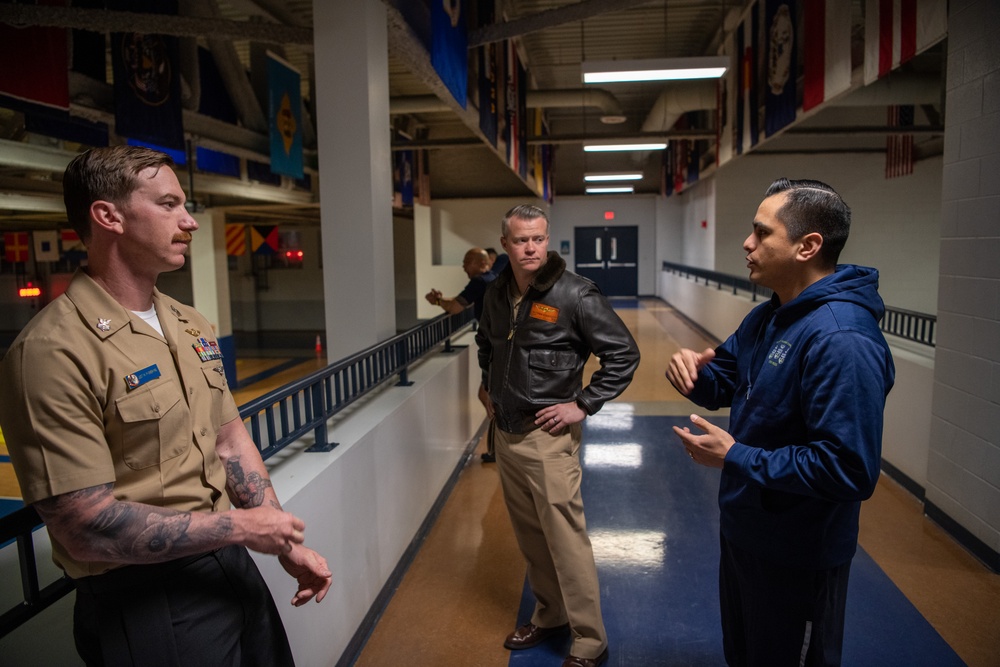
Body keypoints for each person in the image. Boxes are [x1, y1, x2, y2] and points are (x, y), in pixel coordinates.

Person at [0, 146, 332, 666]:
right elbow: (83, 526)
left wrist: (284, 544)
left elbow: (228, 440)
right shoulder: (52, 351)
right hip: (146, 599)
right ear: (108, 216)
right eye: (169, 204)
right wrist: (243, 528)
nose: (190, 221)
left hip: (229, 568)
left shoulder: (188, 323)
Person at [666, 178, 895, 667]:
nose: (747, 244)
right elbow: (721, 379)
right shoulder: (769, 317)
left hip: (799, 554)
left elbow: (849, 468)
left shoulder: (841, 340)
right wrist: (688, 371)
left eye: (761, 233)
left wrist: (735, 456)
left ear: (807, 246)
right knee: (745, 654)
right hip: (747, 531)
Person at [476, 204, 639, 667]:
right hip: (505, 434)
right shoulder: (494, 294)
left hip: (548, 439)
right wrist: (486, 384)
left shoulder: (575, 295)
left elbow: (624, 355)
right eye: (521, 240)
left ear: (547, 240)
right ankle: (550, 615)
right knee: (531, 537)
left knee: (566, 540)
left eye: (538, 239)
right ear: (505, 244)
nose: (531, 247)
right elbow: (486, 342)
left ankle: (590, 639)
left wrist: (581, 404)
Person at [424, 246, 496, 319]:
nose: (464, 266)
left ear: (482, 264)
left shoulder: (479, 282)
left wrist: (437, 301)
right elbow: (460, 299)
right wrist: (439, 299)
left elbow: (454, 307)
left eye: (467, 262)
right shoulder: (492, 276)